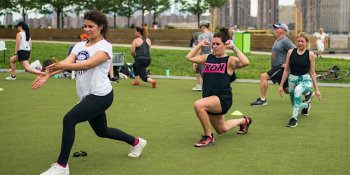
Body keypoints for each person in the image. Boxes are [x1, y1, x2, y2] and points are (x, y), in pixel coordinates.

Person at [32, 10, 147, 175]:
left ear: (101, 27)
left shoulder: (105, 46)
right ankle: (136, 142)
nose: (87, 29)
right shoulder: (79, 46)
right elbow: (67, 62)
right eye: (85, 26)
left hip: (101, 95)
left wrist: (63, 66)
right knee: (102, 131)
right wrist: (48, 73)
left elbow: (87, 65)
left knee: (69, 119)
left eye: (91, 26)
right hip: (87, 96)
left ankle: (61, 166)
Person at [186, 27, 252, 147]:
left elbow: (245, 62)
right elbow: (189, 57)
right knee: (222, 129)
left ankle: (208, 137)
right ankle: (244, 121)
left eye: (218, 44)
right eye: (213, 44)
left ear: (225, 45)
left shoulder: (230, 60)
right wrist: (200, 45)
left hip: (222, 98)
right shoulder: (208, 58)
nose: (215, 46)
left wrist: (233, 47)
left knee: (198, 105)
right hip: (209, 98)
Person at [250, 23, 315, 106]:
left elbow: (296, 52)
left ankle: (262, 99)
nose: (275, 30)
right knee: (287, 90)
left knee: (264, 76)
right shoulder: (278, 41)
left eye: (277, 28)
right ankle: (307, 93)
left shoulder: (286, 41)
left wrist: (290, 65)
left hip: (281, 68)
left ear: (283, 30)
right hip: (277, 68)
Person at [279, 32, 321, 127]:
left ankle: (294, 119)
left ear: (306, 42)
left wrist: (317, 89)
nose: (300, 43)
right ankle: (306, 106)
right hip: (292, 80)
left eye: (302, 41)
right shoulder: (290, 52)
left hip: (306, 80)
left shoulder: (310, 55)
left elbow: (312, 73)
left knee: (298, 90)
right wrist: (281, 85)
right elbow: (286, 70)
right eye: (298, 41)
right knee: (295, 104)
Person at [192, 20, 213, 91]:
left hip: (202, 57)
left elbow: (199, 49)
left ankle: (205, 87)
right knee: (199, 71)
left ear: (203, 26)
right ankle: (199, 85)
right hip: (210, 55)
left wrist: (195, 60)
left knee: (203, 74)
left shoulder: (201, 36)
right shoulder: (212, 35)